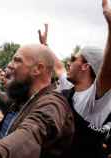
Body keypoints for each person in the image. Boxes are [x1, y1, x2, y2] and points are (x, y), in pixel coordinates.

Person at [0, 44, 75, 158]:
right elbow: (5, 100)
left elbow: (30, 135)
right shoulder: (24, 97)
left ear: (38, 68)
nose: (9, 65)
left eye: (17, 60)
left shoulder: (53, 104)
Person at [36, 1, 111, 157]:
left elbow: (107, 71)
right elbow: (58, 67)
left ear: (85, 66)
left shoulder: (95, 100)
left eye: (73, 58)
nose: (68, 63)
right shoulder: (70, 88)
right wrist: (45, 45)